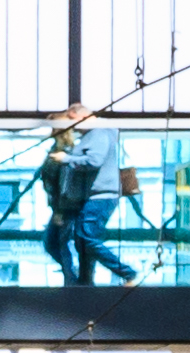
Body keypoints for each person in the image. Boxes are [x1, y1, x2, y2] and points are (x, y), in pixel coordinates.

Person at [37, 116, 135, 286]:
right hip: (67, 204)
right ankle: (80, 280)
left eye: (54, 128)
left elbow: (64, 181)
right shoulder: (66, 150)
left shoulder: (67, 152)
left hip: (68, 205)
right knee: (73, 242)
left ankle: (77, 280)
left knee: (71, 241)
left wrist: (60, 209)